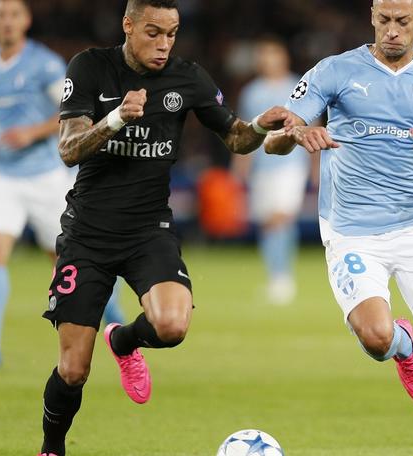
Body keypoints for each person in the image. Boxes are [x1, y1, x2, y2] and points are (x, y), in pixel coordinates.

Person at [36, 0, 289, 454]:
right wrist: (116, 119)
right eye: (153, 32)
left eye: (171, 34)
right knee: (73, 370)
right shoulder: (90, 67)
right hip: (88, 233)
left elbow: (235, 137)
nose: (164, 44)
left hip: (148, 229)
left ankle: (124, 340)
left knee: (172, 325)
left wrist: (256, 125)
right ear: (128, 25)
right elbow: (69, 149)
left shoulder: (188, 78)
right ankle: (52, 447)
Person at [264, 0, 413, 454]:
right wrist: (299, 133)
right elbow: (273, 142)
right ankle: (402, 347)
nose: (393, 30)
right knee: (377, 338)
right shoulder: (335, 71)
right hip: (352, 230)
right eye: (384, 20)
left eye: (403, 21)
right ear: (372, 16)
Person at [0, 0, 126, 370]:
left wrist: (31, 133)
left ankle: (115, 320)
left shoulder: (45, 64)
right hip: (3, 176)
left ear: (26, 20)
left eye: (13, 14)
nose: (7, 21)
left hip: (46, 177)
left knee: (70, 262)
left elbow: (72, 112)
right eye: (0, 14)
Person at [232, 37, 311, 305]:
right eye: (264, 56)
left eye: (273, 54)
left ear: (283, 57)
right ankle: (275, 274)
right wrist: (240, 167)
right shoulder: (251, 92)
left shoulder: (297, 86)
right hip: (261, 165)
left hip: (291, 163)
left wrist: (316, 164)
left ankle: (283, 278)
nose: (268, 61)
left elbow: (313, 123)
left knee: (281, 217)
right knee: (267, 222)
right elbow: (244, 133)